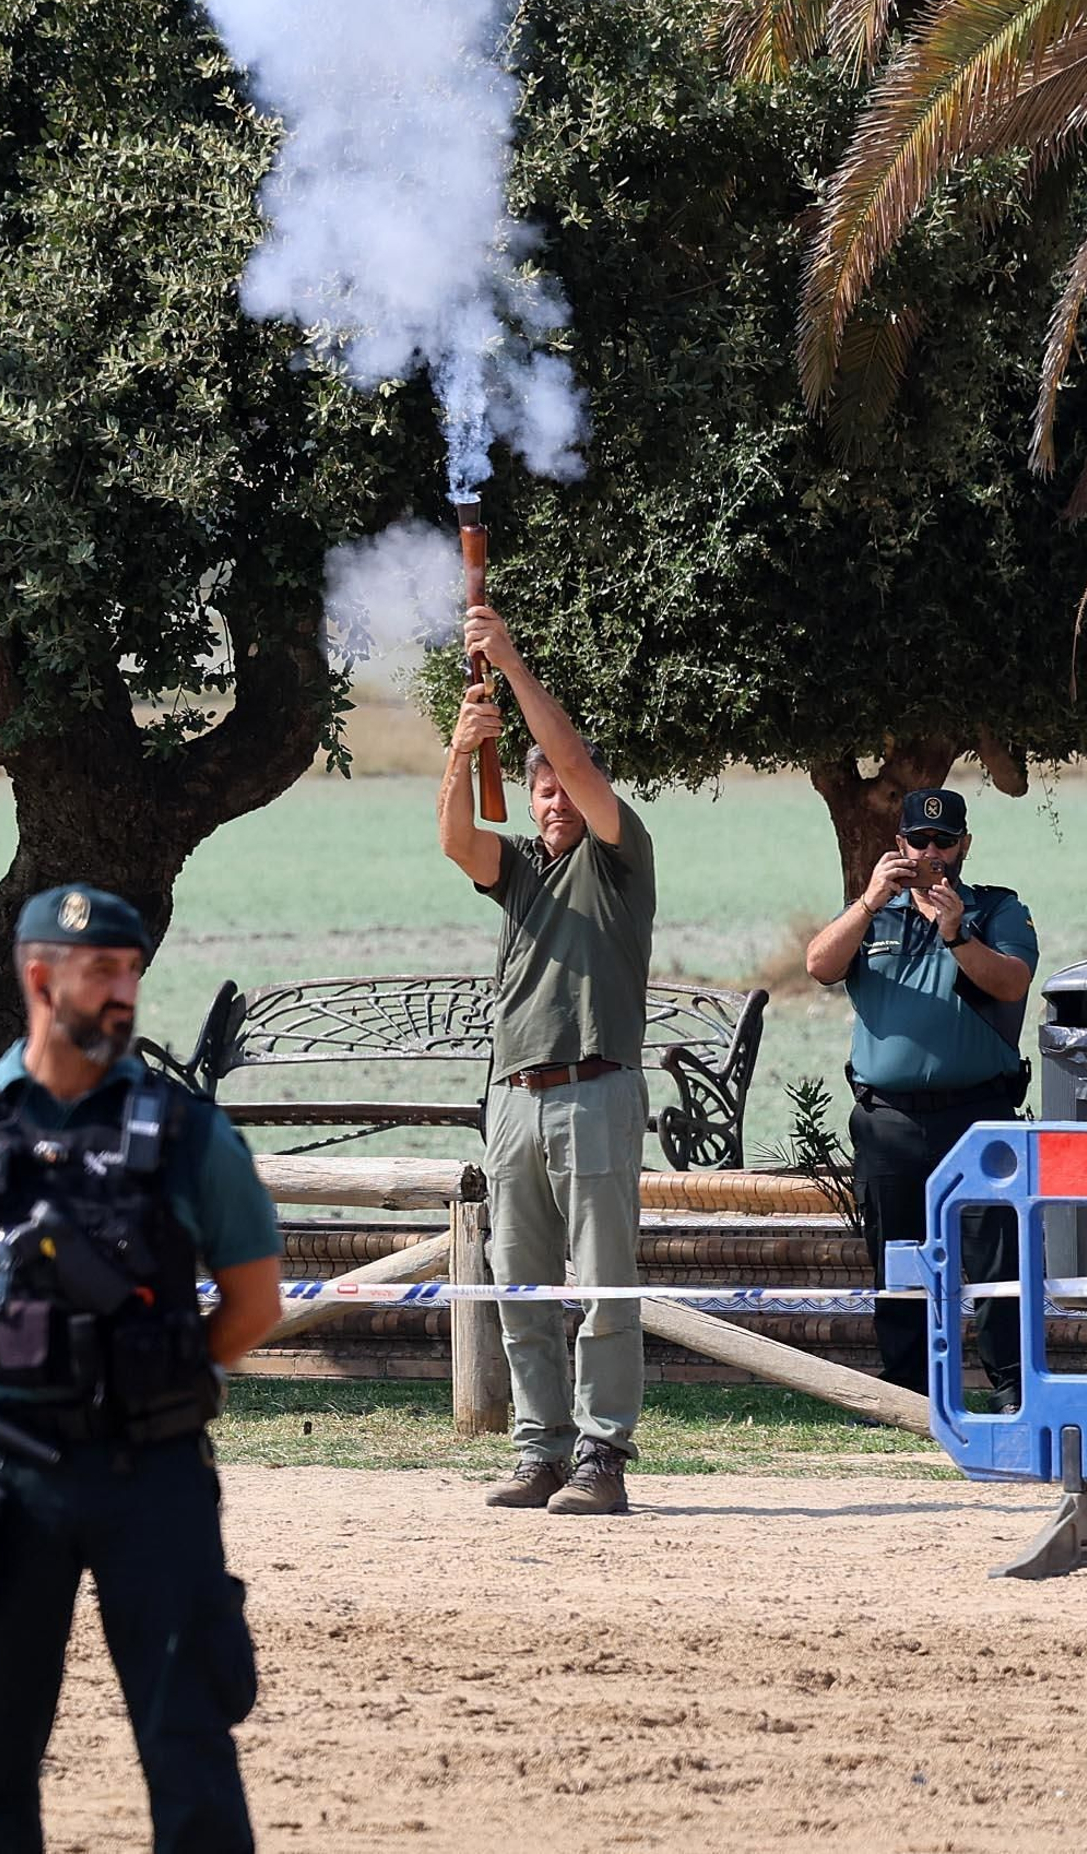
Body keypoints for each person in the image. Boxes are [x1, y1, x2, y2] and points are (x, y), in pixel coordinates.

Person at [0, 884, 284, 1854]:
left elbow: (255, 1301)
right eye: (102, 969)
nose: (123, 990)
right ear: (38, 975)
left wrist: (165, 1371)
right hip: (8, 1476)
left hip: (153, 1473)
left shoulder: (189, 1134)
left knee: (190, 1749)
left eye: (132, 970)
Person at [439, 602, 656, 1517]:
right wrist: (463, 743)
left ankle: (603, 1454)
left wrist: (513, 666)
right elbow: (455, 840)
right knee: (518, 1284)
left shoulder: (619, 855)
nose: (554, 799)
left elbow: (568, 755)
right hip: (514, 1100)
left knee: (602, 1283)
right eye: (540, 792)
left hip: (596, 1090)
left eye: (563, 788)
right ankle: (541, 1449)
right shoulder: (521, 868)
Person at [804, 787, 1037, 1404]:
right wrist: (868, 899)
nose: (931, 852)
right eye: (918, 841)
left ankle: (1011, 1389)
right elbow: (820, 966)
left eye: (944, 841)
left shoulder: (996, 909)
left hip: (977, 1113)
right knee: (896, 1255)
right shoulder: (873, 916)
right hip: (890, 1121)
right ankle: (908, 1390)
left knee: (996, 1258)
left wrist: (956, 933)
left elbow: (1012, 984)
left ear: (964, 845)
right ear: (899, 844)